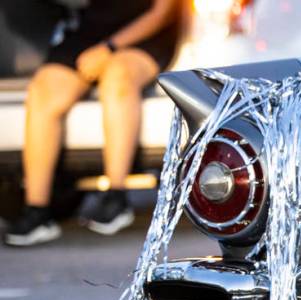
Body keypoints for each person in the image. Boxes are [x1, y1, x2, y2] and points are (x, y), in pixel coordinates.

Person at [4, 0, 180, 247]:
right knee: (42, 90)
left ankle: (115, 197)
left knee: (117, 76)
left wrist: (109, 48)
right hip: (91, 34)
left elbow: (162, 13)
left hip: (144, 35)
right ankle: (37, 211)